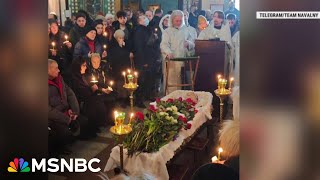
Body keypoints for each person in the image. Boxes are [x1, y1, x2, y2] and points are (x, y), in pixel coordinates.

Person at [48, 59, 89, 155]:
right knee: (64, 131)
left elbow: (70, 93)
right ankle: (62, 148)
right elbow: (48, 111)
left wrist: (74, 111)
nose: (59, 71)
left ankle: (69, 141)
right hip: (53, 116)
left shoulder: (59, 79)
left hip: (66, 110)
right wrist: (66, 119)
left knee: (83, 120)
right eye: (56, 68)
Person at [160, 10, 195, 94]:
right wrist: (168, 52)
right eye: (177, 21)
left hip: (183, 61)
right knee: (171, 82)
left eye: (180, 20)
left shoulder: (186, 30)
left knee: (182, 82)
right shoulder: (167, 31)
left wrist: (189, 44)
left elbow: (193, 43)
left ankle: (181, 101)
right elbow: (164, 45)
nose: (179, 22)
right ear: (172, 20)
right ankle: (170, 101)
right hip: (171, 61)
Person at [134, 15, 161, 107]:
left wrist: (156, 39)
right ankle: (138, 100)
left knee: (150, 79)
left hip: (151, 58)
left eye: (146, 18)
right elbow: (139, 47)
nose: (146, 19)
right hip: (143, 59)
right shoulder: (138, 31)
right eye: (143, 18)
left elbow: (153, 44)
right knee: (141, 80)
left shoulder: (148, 29)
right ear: (139, 21)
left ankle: (147, 95)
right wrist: (143, 61)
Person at [84, 54, 115, 125]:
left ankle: (110, 120)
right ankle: (102, 122)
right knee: (100, 102)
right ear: (91, 61)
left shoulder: (104, 68)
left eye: (98, 62)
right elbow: (90, 84)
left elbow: (108, 79)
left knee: (111, 99)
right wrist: (102, 90)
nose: (96, 64)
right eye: (94, 62)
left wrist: (109, 87)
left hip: (104, 89)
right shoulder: (88, 70)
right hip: (94, 92)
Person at [108, 30, 131, 107]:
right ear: (116, 38)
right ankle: (122, 99)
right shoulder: (113, 46)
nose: (121, 39)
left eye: (122, 38)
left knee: (125, 83)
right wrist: (121, 47)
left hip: (125, 67)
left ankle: (126, 98)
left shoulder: (124, 45)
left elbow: (126, 55)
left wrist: (123, 47)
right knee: (120, 84)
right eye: (119, 38)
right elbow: (117, 56)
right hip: (117, 68)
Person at [48, 19, 73, 87]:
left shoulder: (63, 35)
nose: (54, 28)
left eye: (56, 26)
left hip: (65, 64)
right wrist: (51, 54)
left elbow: (70, 53)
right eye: (52, 26)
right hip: (53, 65)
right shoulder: (48, 37)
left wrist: (69, 47)